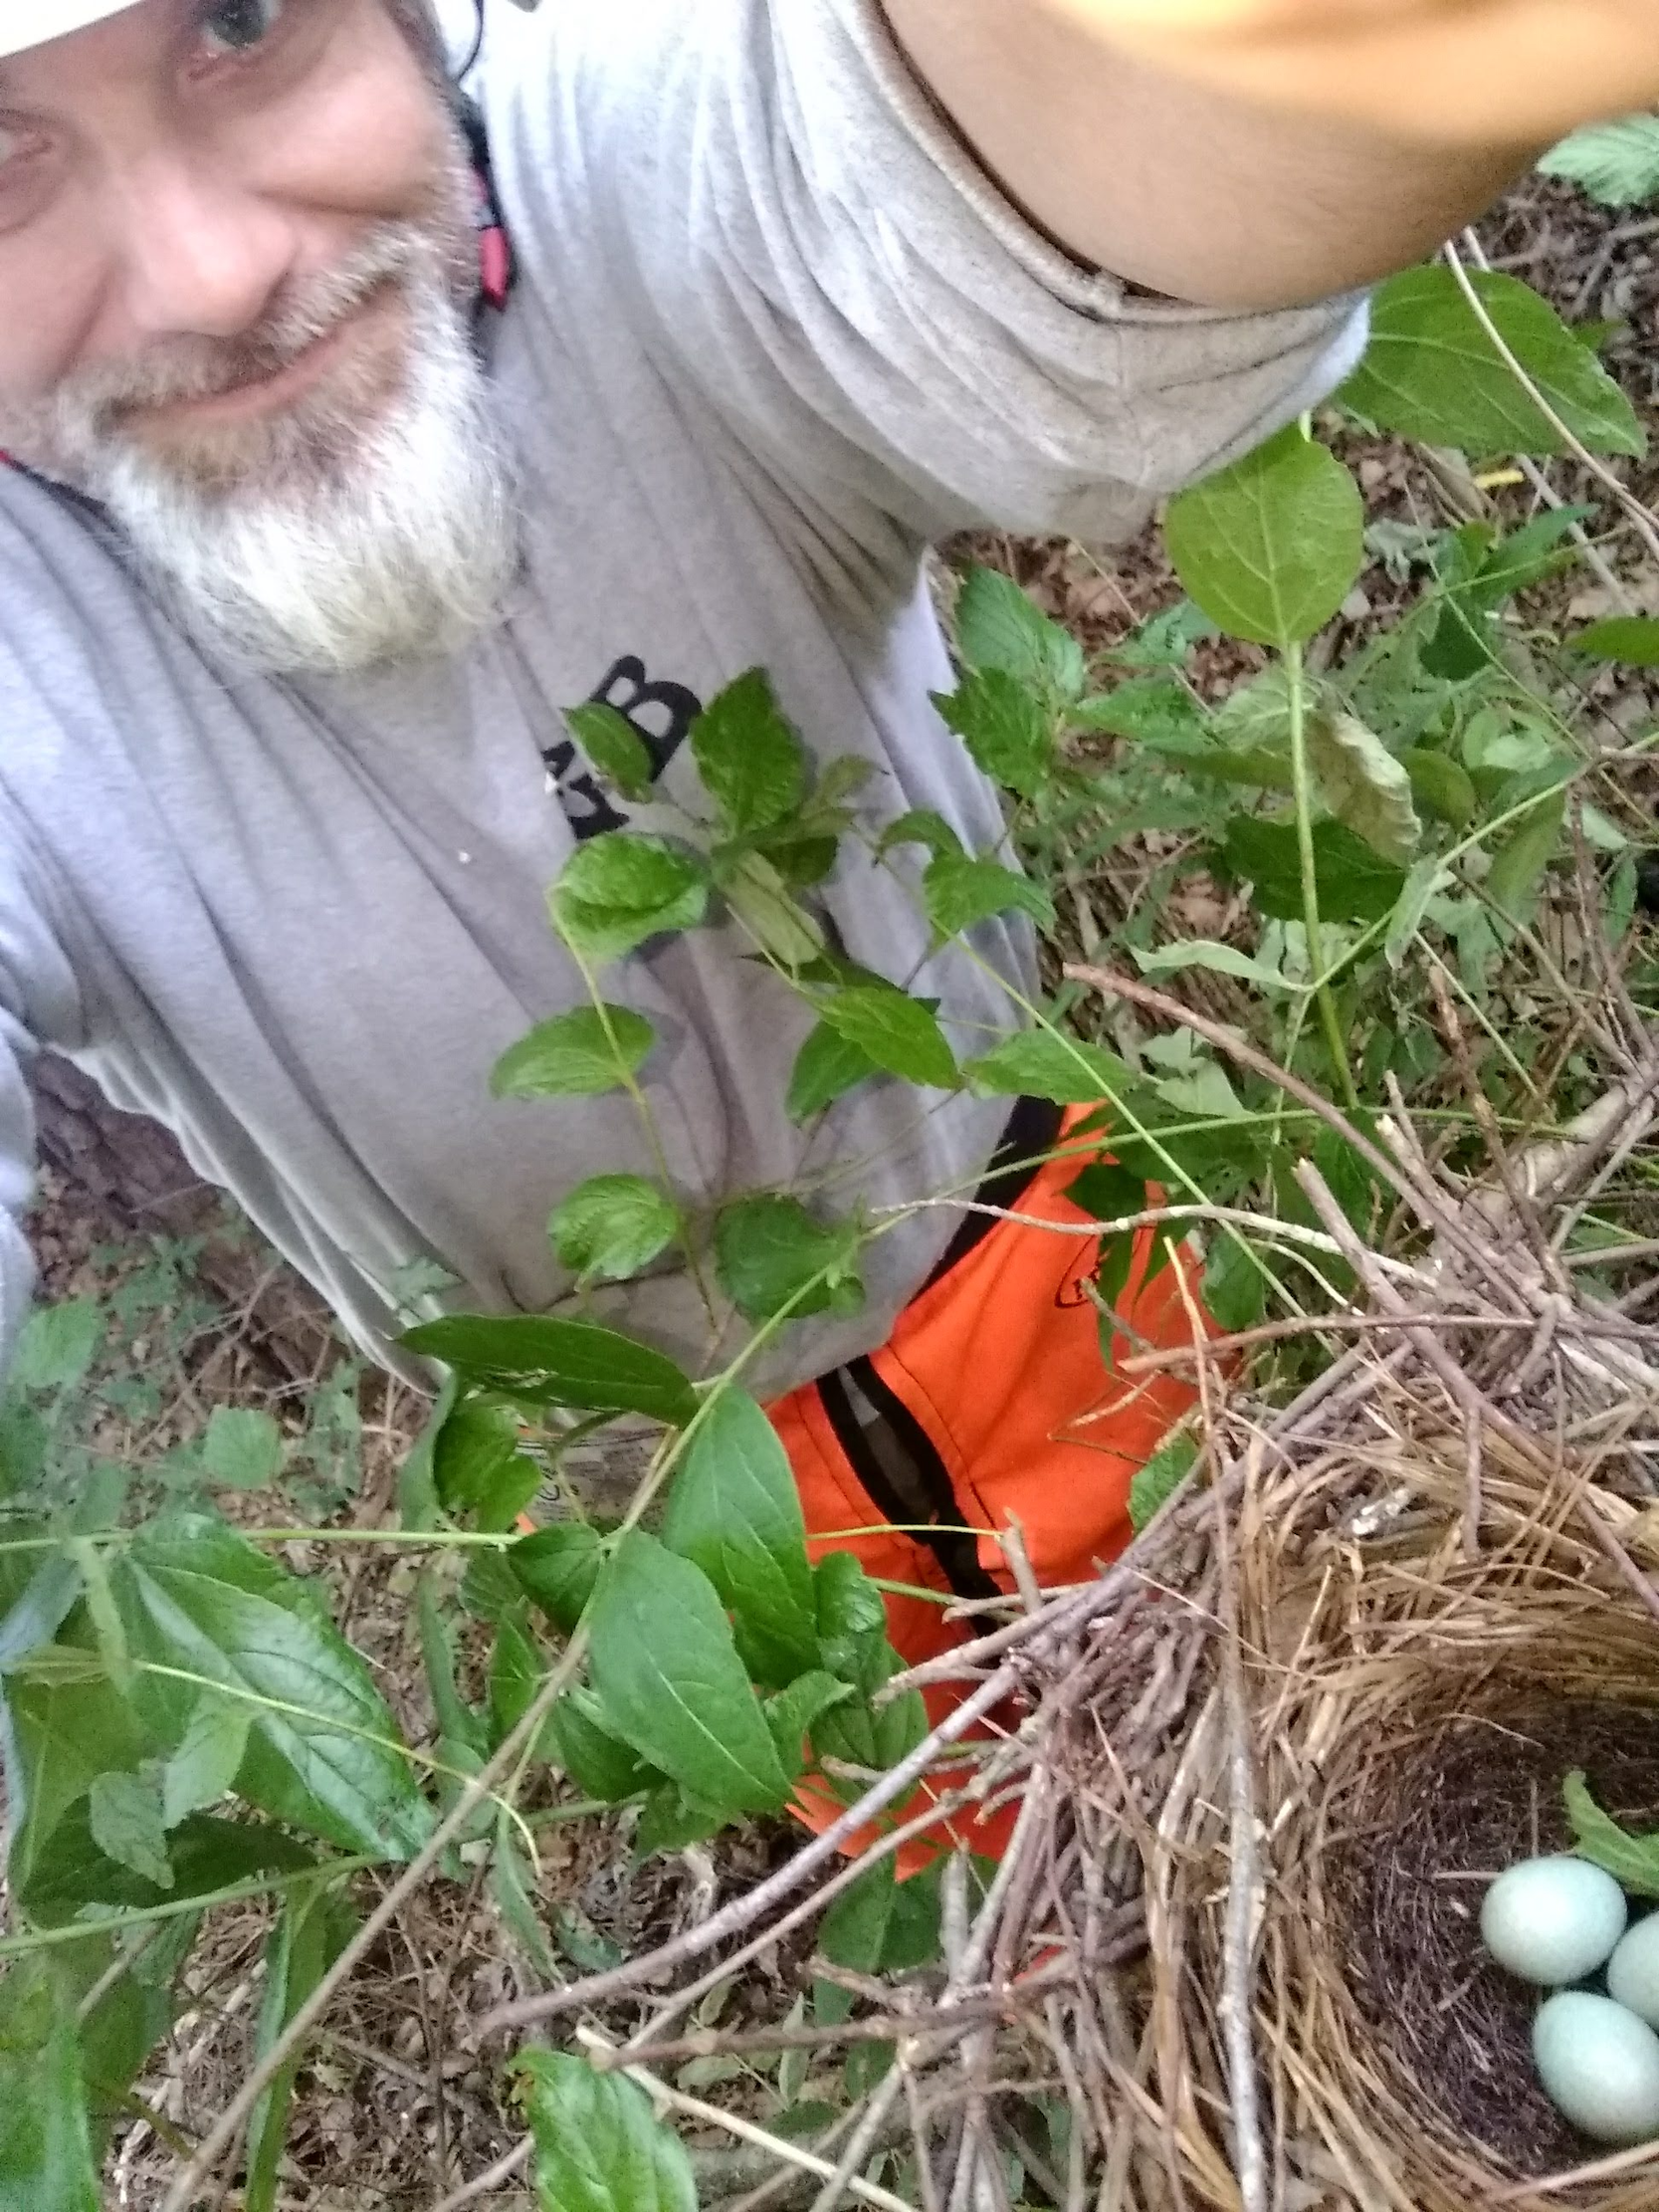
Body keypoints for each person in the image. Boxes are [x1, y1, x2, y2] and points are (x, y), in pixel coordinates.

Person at [0, 0, 1648, 1646]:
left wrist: (1318, 63)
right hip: (686, 1503)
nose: (213, 274)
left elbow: (988, 200)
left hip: (1045, 1246)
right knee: (963, 1851)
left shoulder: (621, 154)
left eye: (240, 21)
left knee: (1282, 1646)